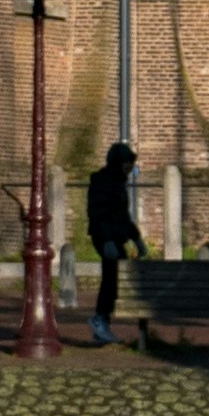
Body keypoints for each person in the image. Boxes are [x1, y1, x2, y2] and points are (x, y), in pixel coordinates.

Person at [85, 140, 143, 347]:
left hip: (115, 236)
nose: (129, 167)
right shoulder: (102, 181)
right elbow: (99, 212)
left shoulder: (118, 182)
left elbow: (122, 216)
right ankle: (100, 318)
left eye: (130, 163)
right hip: (105, 237)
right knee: (112, 276)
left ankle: (102, 323)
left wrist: (136, 238)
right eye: (126, 162)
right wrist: (107, 240)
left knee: (117, 276)